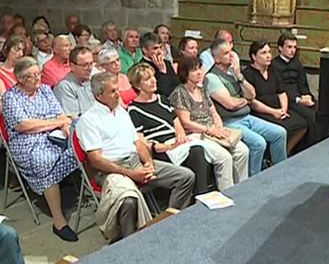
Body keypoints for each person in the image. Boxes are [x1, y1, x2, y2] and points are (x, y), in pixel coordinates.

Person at [77, 72, 195, 241]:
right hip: (113, 169)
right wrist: (131, 174)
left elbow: (138, 142)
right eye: (112, 91)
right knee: (128, 201)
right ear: (98, 95)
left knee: (185, 177)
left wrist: (148, 163)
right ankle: (130, 244)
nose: (118, 94)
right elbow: (95, 160)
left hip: (136, 161)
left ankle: (169, 224)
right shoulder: (89, 120)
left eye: (118, 89)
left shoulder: (122, 112)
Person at [2, 57, 79, 241]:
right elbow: (23, 125)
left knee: (81, 146)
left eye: (38, 74)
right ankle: (59, 221)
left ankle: (92, 192)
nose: (37, 78)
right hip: (26, 143)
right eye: (32, 76)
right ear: (20, 79)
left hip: (53, 135)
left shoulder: (45, 90)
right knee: (43, 160)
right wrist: (57, 122)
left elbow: (60, 114)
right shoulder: (10, 98)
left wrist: (64, 126)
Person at [128, 63, 213, 195]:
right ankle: (202, 196)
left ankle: (202, 195)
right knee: (197, 152)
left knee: (204, 151)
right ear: (138, 86)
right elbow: (141, 141)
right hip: (160, 148)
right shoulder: (134, 109)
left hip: (177, 142)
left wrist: (180, 134)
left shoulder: (162, 99)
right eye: (147, 79)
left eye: (154, 77)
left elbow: (176, 120)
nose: (153, 81)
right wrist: (168, 147)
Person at [205, 38, 287, 176]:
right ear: (217, 59)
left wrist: (238, 75)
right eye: (226, 53)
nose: (231, 56)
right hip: (230, 122)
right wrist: (245, 100)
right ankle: (254, 179)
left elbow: (252, 94)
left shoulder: (233, 72)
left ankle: (281, 172)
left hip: (246, 116)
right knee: (258, 143)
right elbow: (230, 104)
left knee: (280, 133)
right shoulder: (211, 78)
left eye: (231, 52)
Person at [169, 57, 249, 190]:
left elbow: (214, 112)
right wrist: (209, 130)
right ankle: (227, 193)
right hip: (196, 134)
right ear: (185, 73)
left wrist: (218, 126)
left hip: (212, 130)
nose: (200, 72)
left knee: (243, 151)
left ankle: (241, 189)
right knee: (225, 158)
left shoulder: (202, 90)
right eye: (194, 70)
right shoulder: (179, 93)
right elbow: (186, 122)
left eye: (200, 68)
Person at [243, 40, 307, 151]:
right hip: (262, 111)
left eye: (269, 52)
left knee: (302, 124)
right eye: (263, 53)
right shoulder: (248, 73)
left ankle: (284, 152)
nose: (268, 56)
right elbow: (252, 102)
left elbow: (282, 92)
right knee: (284, 128)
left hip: (278, 108)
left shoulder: (272, 69)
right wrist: (273, 112)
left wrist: (283, 109)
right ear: (254, 56)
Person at [271, 31, 320, 147]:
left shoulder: (297, 63)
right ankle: (308, 148)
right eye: (289, 47)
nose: (292, 50)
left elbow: (303, 83)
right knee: (311, 117)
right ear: (280, 48)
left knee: (321, 111)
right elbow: (280, 89)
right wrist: (298, 100)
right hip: (289, 101)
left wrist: (307, 95)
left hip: (301, 96)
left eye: (294, 47)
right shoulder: (273, 65)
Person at [53, 47, 95, 117]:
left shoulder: (93, 81)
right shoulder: (65, 86)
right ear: (72, 66)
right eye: (84, 65)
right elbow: (73, 118)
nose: (89, 68)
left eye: (91, 64)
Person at [140, 32, 179, 97]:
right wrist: (162, 71)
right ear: (145, 50)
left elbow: (176, 84)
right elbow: (161, 92)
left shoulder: (166, 63)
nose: (159, 51)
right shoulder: (141, 68)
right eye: (155, 48)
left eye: (160, 47)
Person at [0, 36, 26, 107]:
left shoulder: (25, 71)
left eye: (22, 51)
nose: (21, 54)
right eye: (17, 49)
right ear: (7, 49)